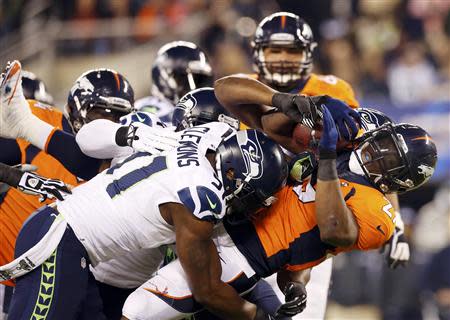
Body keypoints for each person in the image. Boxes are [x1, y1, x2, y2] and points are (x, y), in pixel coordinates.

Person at [0, 61, 289, 320]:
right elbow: (208, 290)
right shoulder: (199, 194)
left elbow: (87, 156)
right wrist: (259, 315)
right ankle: (23, 123)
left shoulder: (179, 140)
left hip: (83, 255)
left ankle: (24, 124)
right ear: (232, 171)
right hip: (65, 241)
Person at [243, 11, 409, 319]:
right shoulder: (246, 89)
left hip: (311, 223)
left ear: (307, 53)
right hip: (249, 221)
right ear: (258, 51)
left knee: (302, 313)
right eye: (273, 49)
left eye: (291, 50)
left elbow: (375, 156)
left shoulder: (334, 89)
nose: (282, 58)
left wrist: (395, 222)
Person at [135, 41, 214, 123]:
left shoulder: (207, 110)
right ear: (164, 76)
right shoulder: (146, 108)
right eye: (182, 80)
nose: (194, 88)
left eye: (199, 80)